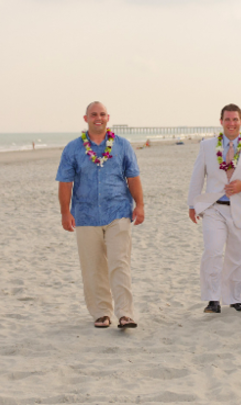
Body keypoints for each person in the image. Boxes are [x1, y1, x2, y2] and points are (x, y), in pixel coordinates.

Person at [56, 101, 144, 329]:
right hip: (85, 215)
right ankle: (102, 313)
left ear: (108, 118)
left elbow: (133, 178)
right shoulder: (73, 148)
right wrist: (65, 213)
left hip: (118, 212)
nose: (99, 118)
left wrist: (140, 205)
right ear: (85, 118)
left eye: (102, 114)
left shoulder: (122, 146)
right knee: (93, 266)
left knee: (119, 262)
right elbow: (65, 183)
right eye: (94, 114)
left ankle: (125, 313)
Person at [188, 104, 241, 314]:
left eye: (235, 119)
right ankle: (212, 299)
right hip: (214, 208)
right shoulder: (207, 146)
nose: (231, 123)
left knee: (238, 255)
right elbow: (198, 175)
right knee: (213, 252)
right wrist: (192, 204)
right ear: (221, 121)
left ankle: (234, 297)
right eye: (227, 119)